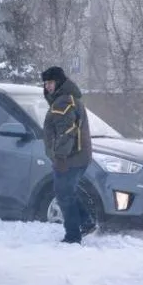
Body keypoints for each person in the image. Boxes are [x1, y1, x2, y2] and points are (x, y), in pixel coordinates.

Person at [41, 66, 96, 244]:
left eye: (50, 82)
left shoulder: (63, 102)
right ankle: (86, 222)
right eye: (46, 83)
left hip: (70, 158)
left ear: (59, 82)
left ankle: (73, 236)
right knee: (67, 192)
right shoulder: (67, 99)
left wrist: (60, 158)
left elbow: (66, 133)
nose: (48, 86)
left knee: (63, 194)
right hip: (79, 156)